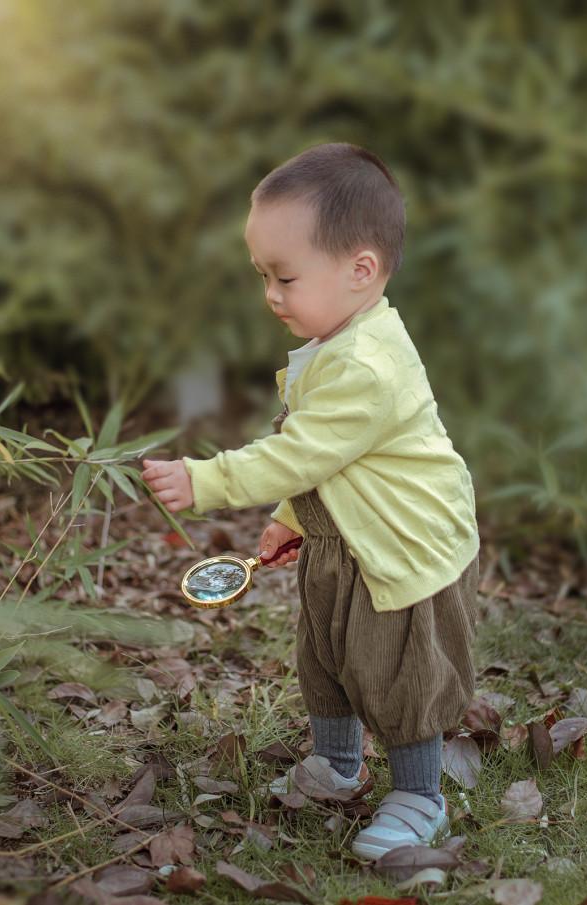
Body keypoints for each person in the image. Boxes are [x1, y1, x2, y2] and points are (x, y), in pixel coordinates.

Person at [141, 142, 480, 860]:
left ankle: (420, 796)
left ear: (361, 270)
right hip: (350, 540)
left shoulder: (365, 365)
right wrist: (292, 519)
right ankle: (338, 762)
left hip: (400, 553)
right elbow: (331, 467)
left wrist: (205, 481)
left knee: (397, 672)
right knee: (326, 653)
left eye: (285, 276)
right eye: (262, 274)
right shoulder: (337, 342)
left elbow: (299, 452)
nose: (270, 293)